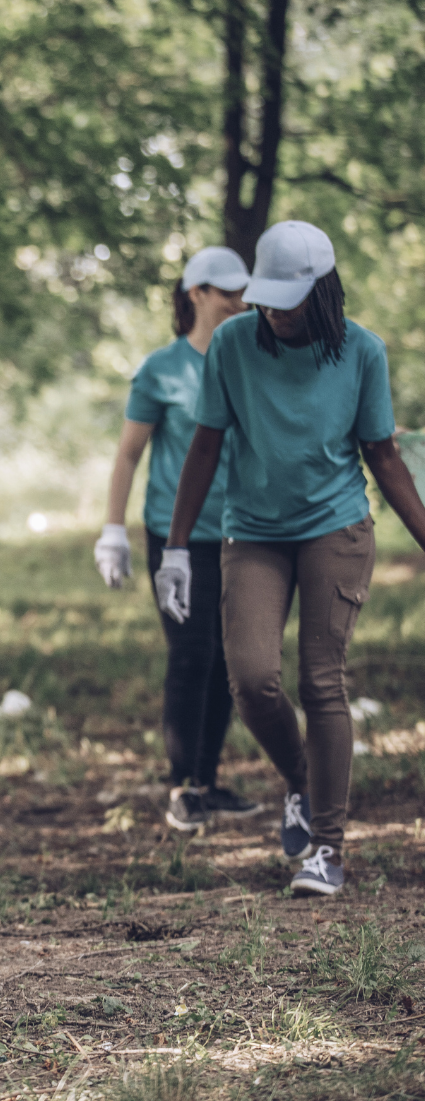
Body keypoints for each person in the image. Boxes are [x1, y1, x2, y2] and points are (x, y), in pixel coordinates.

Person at [158, 220, 425, 896]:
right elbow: (205, 447)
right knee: (252, 678)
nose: (272, 312)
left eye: (287, 299)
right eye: (265, 298)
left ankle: (327, 849)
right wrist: (177, 548)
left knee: (321, 681)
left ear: (321, 292)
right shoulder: (232, 344)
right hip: (253, 530)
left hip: (335, 526)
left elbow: (385, 458)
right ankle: (302, 781)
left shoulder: (363, 351)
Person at [96, 246, 261, 832]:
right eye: (228, 291)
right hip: (177, 535)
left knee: (230, 662)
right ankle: (180, 786)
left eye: (245, 290)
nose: (241, 300)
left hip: (243, 532)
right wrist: (112, 530)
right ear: (196, 294)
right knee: (192, 654)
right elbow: (128, 454)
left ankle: (208, 781)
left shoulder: (249, 358)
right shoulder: (161, 370)